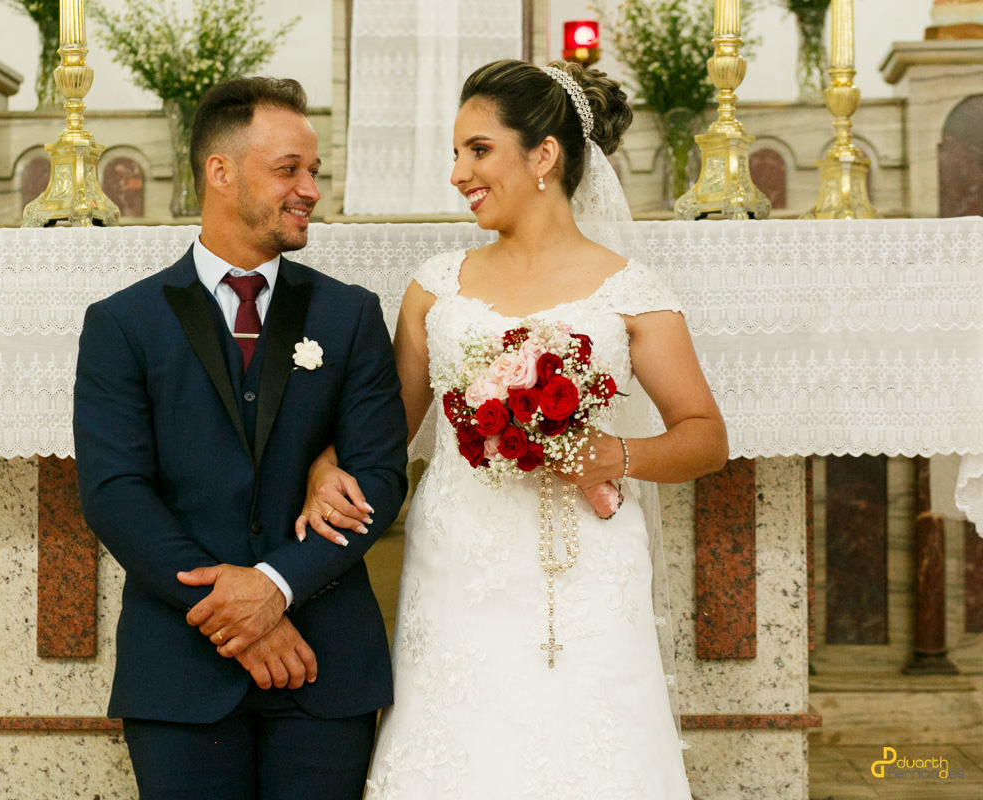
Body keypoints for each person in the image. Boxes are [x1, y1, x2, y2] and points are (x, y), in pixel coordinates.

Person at [296, 60, 728, 796]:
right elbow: (387, 427)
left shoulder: (631, 292)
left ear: (545, 156)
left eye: (478, 149)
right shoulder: (437, 286)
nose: (459, 172)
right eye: (455, 154)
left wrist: (612, 453)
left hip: (585, 563)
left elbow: (705, 437)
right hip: (460, 559)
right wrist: (324, 465)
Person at [73, 77, 408, 800]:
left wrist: (277, 584)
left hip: (325, 664)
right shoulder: (123, 324)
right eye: (290, 169)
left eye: (314, 171)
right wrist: (242, 615)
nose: (311, 189)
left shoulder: (349, 316)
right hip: (180, 665)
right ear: (219, 172)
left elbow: (380, 477)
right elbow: (114, 492)